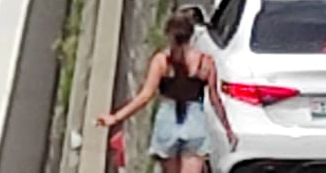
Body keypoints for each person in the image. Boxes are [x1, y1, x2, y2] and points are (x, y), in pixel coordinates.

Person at [97, 10, 232, 171]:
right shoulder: (206, 62)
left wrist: (116, 117)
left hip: (167, 120)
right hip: (195, 121)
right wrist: (228, 129)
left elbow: (145, 96)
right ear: (191, 35)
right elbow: (215, 99)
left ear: (170, 35)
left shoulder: (161, 61)